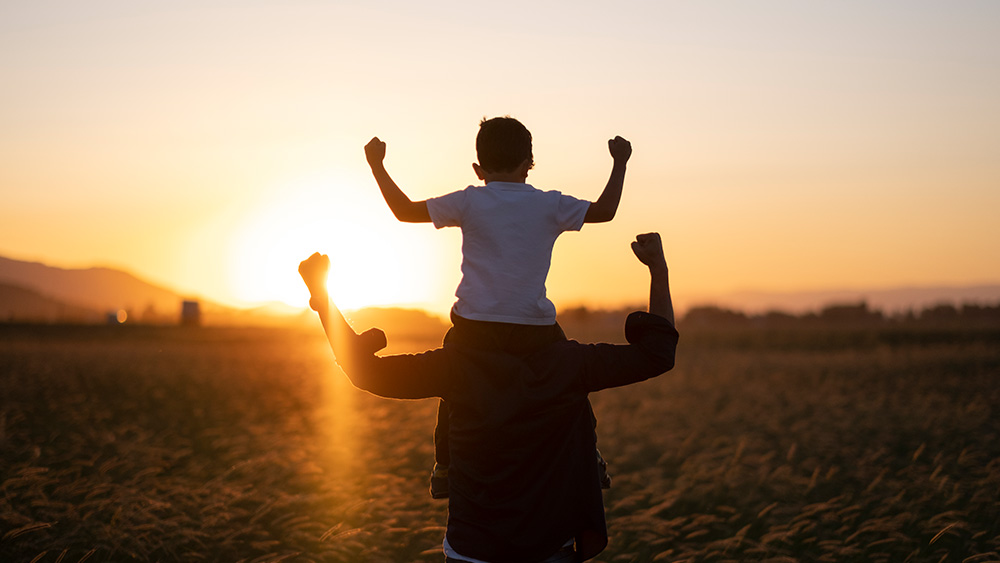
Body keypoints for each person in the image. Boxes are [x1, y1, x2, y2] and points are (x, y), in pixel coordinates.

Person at [299, 232, 678, 563]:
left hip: (472, 552)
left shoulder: (456, 364)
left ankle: (442, 468)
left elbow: (367, 371)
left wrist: (323, 296)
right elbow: (656, 353)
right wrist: (657, 268)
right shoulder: (571, 363)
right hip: (551, 550)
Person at [365, 116, 633, 497]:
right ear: (531, 163)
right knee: (573, 383)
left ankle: (444, 465)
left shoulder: (470, 200)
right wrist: (619, 162)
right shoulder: (549, 203)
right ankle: (590, 454)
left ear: (478, 169)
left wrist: (377, 165)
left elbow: (405, 210)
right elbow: (605, 210)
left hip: (474, 327)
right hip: (535, 329)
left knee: (451, 386)